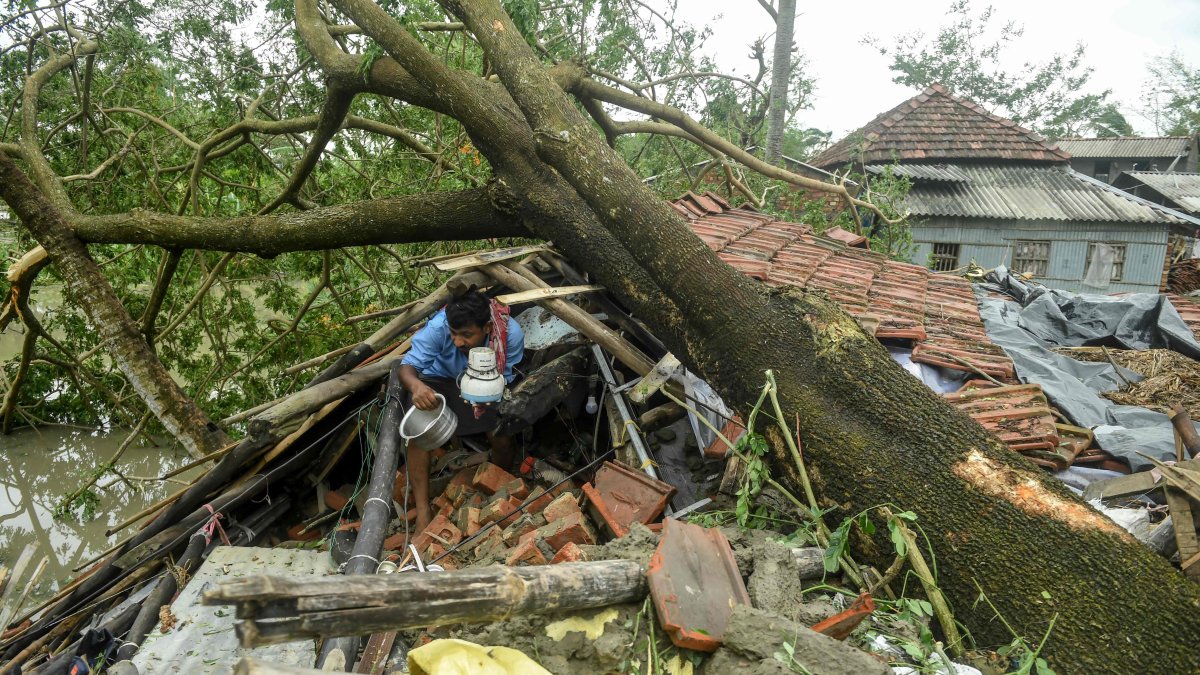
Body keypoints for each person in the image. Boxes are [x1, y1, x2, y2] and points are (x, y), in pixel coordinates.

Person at [398, 289, 524, 532]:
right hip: (437, 379)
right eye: (454, 334)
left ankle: (495, 487)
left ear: (487, 328)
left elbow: (505, 379)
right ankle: (424, 511)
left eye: (466, 335)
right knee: (417, 435)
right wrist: (417, 387)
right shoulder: (438, 326)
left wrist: (486, 400)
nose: (457, 342)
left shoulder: (509, 335)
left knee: (502, 431)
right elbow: (407, 367)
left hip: (486, 383)